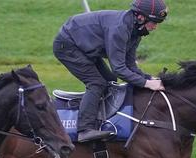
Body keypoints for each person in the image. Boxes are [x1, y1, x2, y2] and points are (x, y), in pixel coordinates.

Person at [53, 0, 168, 143]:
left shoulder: (136, 31)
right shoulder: (120, 28)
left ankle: (99, 120)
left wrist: (149, 78)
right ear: (141, 17)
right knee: (96, 83)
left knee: (110, 80)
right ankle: (84, 129)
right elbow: (119, 68)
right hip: (68, 46)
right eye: (154, 22)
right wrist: (146, 84)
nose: (155, 27)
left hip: (84, 47)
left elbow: (130, 65)